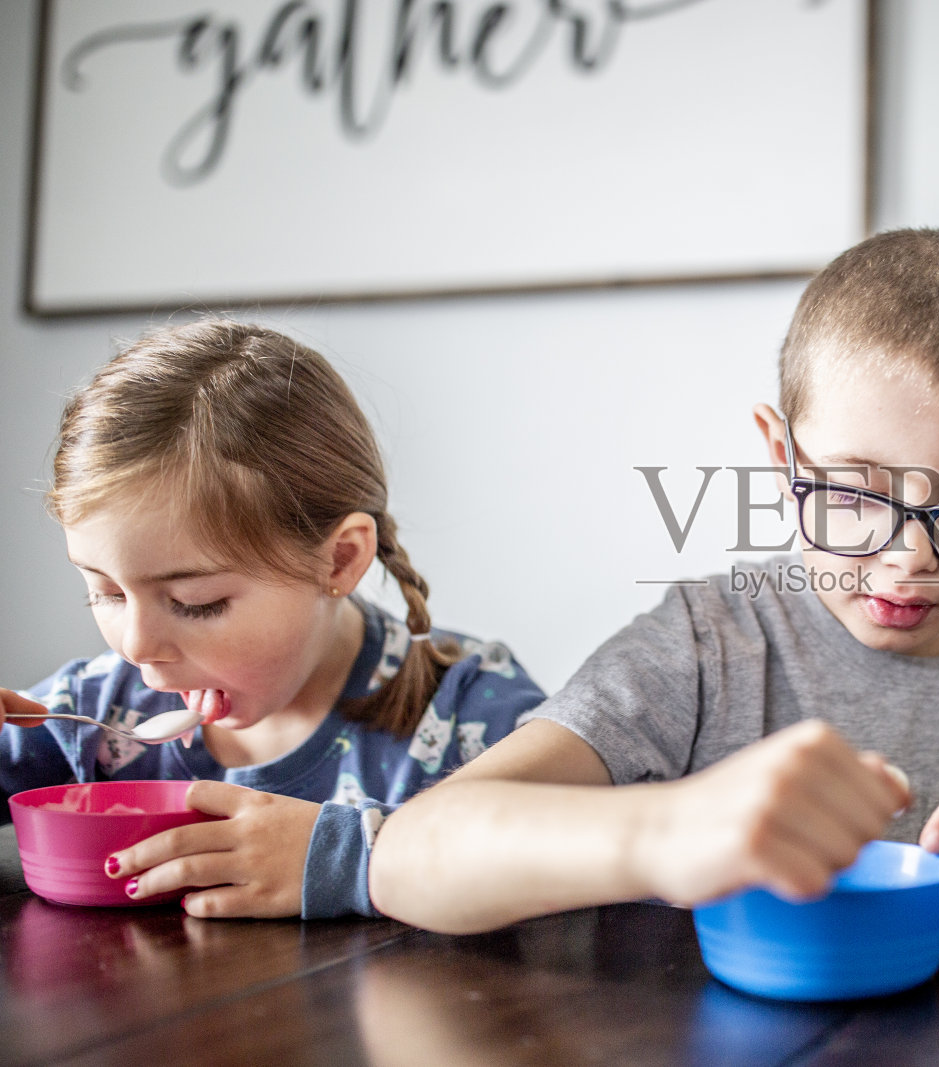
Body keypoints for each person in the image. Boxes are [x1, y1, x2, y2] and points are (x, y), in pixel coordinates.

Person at [370, 229, 939, 971]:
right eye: (854, 494)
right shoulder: (703, 647)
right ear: (784, 458)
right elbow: (408, 853)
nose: (909, 557)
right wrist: (670, 832)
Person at [0, 320, 544, 920]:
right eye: (103, 593)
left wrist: (343, 858)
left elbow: (589, 857)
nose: (138, 646)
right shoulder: (91, 715)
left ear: (339, 559)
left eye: (195, 602)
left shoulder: (469, 708)